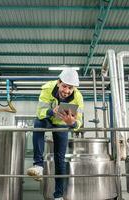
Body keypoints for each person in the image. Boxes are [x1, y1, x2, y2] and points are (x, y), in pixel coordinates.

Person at [27, 68, 84, 200]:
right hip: (47, 119)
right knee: (38, 124)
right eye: (64, 86)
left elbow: (79, 121)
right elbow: (40, 111)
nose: (66, 91)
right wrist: (52, 112)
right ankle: (38, 165)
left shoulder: (78, 97)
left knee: (60, 159)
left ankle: (58, 196)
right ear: (58, 83)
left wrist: (72, 123)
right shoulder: (47, 88)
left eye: (70, 88)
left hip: (62, 124)